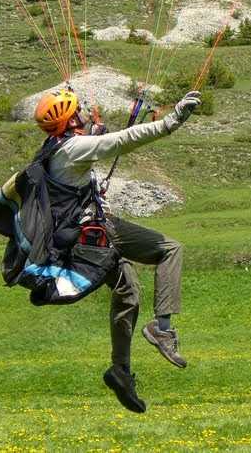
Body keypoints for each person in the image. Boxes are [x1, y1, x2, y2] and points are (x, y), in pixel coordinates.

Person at [33, 87, 201, 413]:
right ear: (69, 121)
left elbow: (90, 145)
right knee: (169, 248)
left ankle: (120, 371)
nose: (83, 113)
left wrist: (97, 130)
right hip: (97, 233)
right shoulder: (76, 148)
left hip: (82, 241)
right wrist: (173, 120)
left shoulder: (54, 148)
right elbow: (124, 140)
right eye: (77, 111)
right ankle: (161, 329)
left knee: (129, 292)